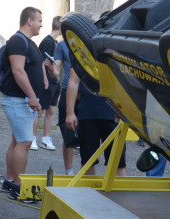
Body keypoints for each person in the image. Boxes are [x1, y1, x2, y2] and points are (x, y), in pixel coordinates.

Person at [64, 23, 126, 178]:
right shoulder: (81, 53)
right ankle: (88, 194)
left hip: (113, 113)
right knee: (88, 162)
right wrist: (70, 112)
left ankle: (121, 194)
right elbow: (73, 82)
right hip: (88, 113)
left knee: (118, 163)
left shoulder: (117, 51)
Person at [0, 7, 47, 199]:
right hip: (18, 100)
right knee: (25, 142)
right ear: (29, 21)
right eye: (39, 21)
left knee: (18, 140)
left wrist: (42, 83)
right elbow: (18, 71)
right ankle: (19, 187)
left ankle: (10, 182)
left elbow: (36, 66)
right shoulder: (18, 41)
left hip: (23, 100)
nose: (41, 24)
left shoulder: (29, 42)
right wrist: (32, 97)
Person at [53, 19, 80, 175]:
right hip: (67, 91)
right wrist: (51, 70)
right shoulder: (62, 45)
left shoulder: (86, 44)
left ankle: (86, 171)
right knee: (69, 135)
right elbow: (56, 70)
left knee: (88, 133)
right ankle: (69, 172)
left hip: (85, 93)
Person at [34, 16, 61, 151]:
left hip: (54, 81)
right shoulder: (47, 42)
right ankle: (32, 138)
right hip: (47, 82)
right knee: (40, 110)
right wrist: (44, 80)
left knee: (50, 110)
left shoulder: (56, 42)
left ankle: (45, 138)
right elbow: (42, 63)